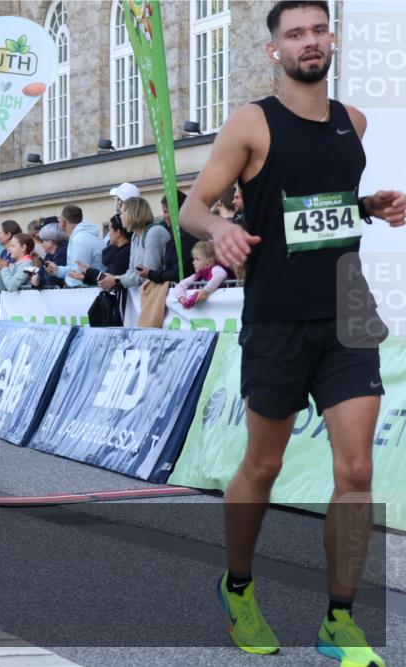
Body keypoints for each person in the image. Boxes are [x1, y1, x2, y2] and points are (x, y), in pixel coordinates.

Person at [179, 3, 405, 664]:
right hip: (277, 314)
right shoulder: (253, 122)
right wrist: (217, 227)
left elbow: (320, 207)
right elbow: (195, 202)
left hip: (347, 306)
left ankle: (339, 618)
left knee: (358, 468)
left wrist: (370, 206)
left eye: (318, 30)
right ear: (275, 49)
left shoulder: (352, 123)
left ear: (331, 39)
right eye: (295, 34)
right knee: (264, 464)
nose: (310, 42)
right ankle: (239, 585)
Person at [102, 197, 169, 290]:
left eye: (123, 212)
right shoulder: (135, 236)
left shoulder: (154, 233)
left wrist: (116, 279)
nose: (120, 216)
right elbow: (132, 271)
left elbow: (148, 274)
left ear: (133, 213)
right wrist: (114, 278)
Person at [55, 204, 104, 286]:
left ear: (63, 222)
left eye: (59, 221)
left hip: (88, 293)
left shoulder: (80, 240)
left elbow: (76, 278)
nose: (58, 224)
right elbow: (75, 268)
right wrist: (58, 270)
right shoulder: (81, 236)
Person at [173, 240, 229, 308]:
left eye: (197, 259)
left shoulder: (215, 269)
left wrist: (206, 291)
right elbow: (180, 285)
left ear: (210, 261)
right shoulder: (197, 275)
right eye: (194, 259)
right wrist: (181, 297)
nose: (193, 262)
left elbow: (221, 274)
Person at [32, 222, 68, 288]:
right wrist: (36, 281)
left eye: (42, 241)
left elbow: (53, 281)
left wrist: (39, 281)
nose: (41, 244)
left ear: (50, 242)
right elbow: (40, 274)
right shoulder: (49, 255)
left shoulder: (62, 253)